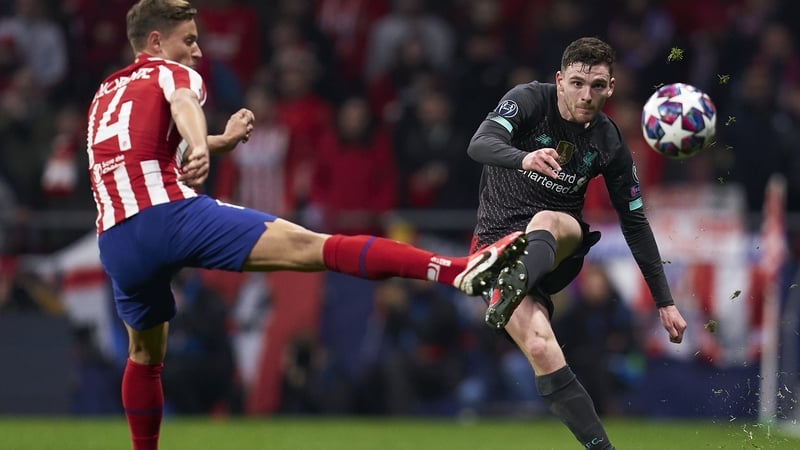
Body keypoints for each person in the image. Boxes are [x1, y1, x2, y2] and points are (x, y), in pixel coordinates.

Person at [86, 2, 526, 449]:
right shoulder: (171, 73)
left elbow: (148, 153)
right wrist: (201, 142)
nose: (198, 51)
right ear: (157, 41)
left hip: (118, 239)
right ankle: (456, 269)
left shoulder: (105, 95)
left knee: (145, 357)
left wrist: (219, 143)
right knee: (316, 246)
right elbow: (184, 106)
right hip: (170, 215)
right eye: (189, 39)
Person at [466, 37, 688, 450]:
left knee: (548, 219)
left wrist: (664, 300)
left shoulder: (609, 142)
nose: (587, 95)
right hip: (495, 249)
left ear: (611, 87)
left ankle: (509, 286)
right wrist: (523, 157)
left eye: (598, 85)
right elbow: (479, 144)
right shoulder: (529, 100)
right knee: (540, 347)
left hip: (555, 250)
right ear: (560, 80)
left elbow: (635, 221)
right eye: (578, 82)